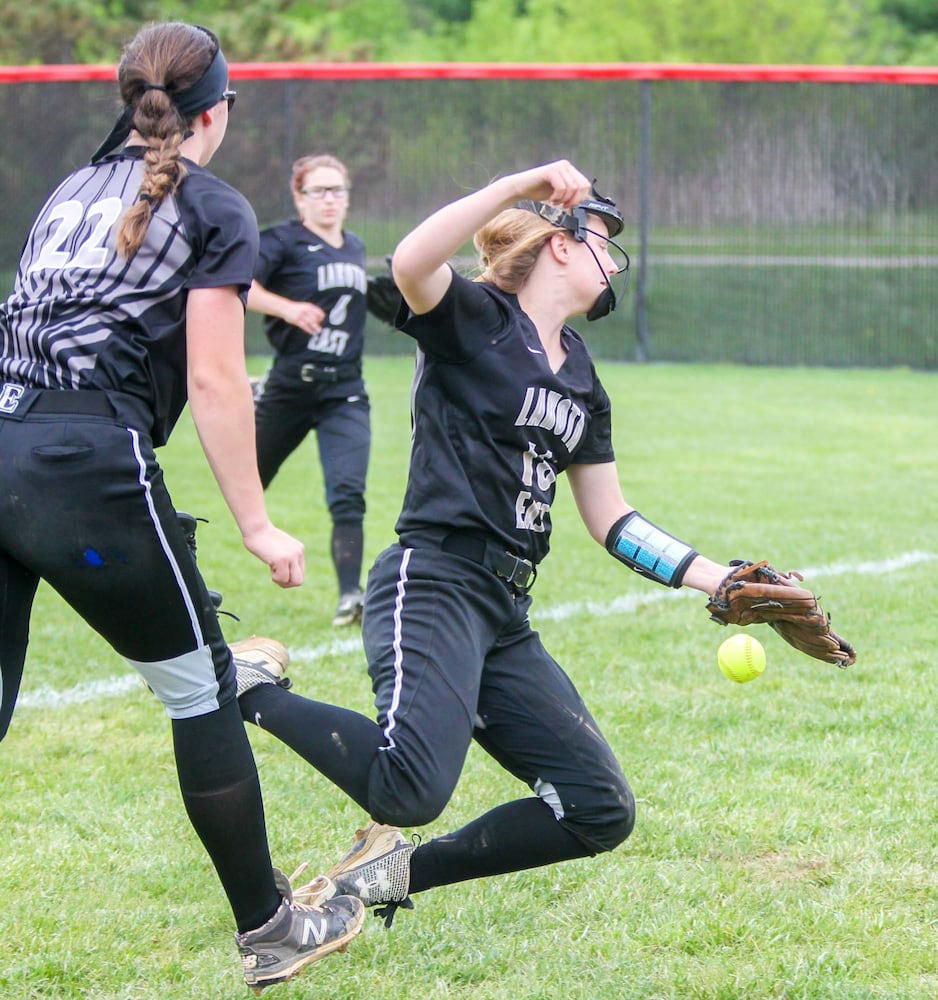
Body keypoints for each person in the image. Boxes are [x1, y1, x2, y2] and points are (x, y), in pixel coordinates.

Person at [230, 160, 762, 929]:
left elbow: (611, 518)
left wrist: (717, 578)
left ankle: (394, 872)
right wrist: (522, 186)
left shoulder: (581, 374)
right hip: (436, 579)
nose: (613, 260)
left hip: (504, 609)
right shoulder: (475, 317)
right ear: (559, 245)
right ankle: (252, 690)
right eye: (603, 242)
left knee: (597, 809)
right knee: (407, 788)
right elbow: (411, 261)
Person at [0, 22, 363, 993]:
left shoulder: (71, 186)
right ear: (218, 112)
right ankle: (271, 926)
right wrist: (254, 523)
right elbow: (212, 377)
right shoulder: (212, 204)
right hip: (81, 461)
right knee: (199, 689)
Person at [247, 155, 381, 628]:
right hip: (290, 387)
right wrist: (287, 309)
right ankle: (185, 577)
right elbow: (239, 286)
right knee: (247, 480)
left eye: (337, 190)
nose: (329, 199)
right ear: (299, 197)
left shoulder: (355, 245)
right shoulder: (282, 241)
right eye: (319, 191)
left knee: (348, 492)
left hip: (343, 390)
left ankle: (351, 595)